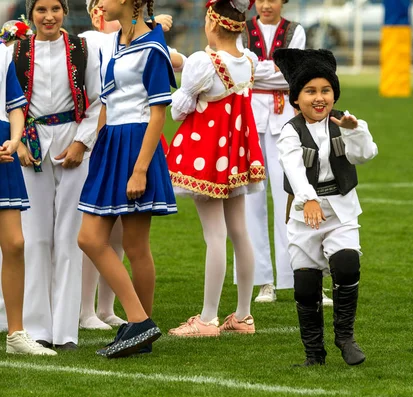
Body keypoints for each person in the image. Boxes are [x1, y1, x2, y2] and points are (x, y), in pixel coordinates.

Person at [77, 0, 177, 358]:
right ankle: (140, 324)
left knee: (135, 247)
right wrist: (95, 148)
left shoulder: (152, 45)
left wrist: (139, 168)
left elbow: (158, 112)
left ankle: (139, 326)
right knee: (89, 238)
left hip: (136, 146)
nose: (99, 2)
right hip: (111, 145)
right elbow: (107, 103)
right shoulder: (116, 40)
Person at [166, 0, 265, 337]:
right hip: (236, 156)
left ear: (211, 22)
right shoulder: (248, 61)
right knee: (239, 232)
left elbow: (179, 111)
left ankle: (208, 318)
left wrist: (184, 93)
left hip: (206, 155)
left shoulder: (202, 62)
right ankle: (243, 314)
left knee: (215, 235)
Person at [273, 48, 378, 366]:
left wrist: (355, 130)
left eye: (325, 91)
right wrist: (308, 199)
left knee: (347, 264)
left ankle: (345, 338)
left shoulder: (344, 122)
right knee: (306, 285)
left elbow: (366, 154)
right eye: (310, 91)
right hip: (305, 213)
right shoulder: (290, 131)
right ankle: (314, 354)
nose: (319, 98)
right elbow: (292, 166)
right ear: (296, 98)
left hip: (341, 209)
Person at [12, 0, 101, 350]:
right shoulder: (14, 52)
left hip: (72, 142)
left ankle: (65, 331)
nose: (48, 17)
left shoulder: (82, 48)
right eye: (40, 10)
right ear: (30, 14)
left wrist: (83, 142)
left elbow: (97, 101)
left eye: (55, 9)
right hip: (29, 146)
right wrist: (15, 141)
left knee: (69, 237)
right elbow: (5, 101)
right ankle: (36, 329)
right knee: (34, 237)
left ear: (65, 11)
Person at [233, 0, 315, 304]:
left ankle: (296, 276)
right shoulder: (242, 30)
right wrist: (268, 70)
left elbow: (294, 74)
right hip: (250, 120)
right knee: (252, 200)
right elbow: (240, 69)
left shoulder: (296, 31)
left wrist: (258, 69)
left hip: (284, 122)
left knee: (290, 198)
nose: (267, 5)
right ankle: (262, 280)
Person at [0, 42, 56, 356]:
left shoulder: (3, 54)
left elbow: (15, 106)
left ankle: (16, 334)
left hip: (3, 153)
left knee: (15, 244)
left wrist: (15, 139)